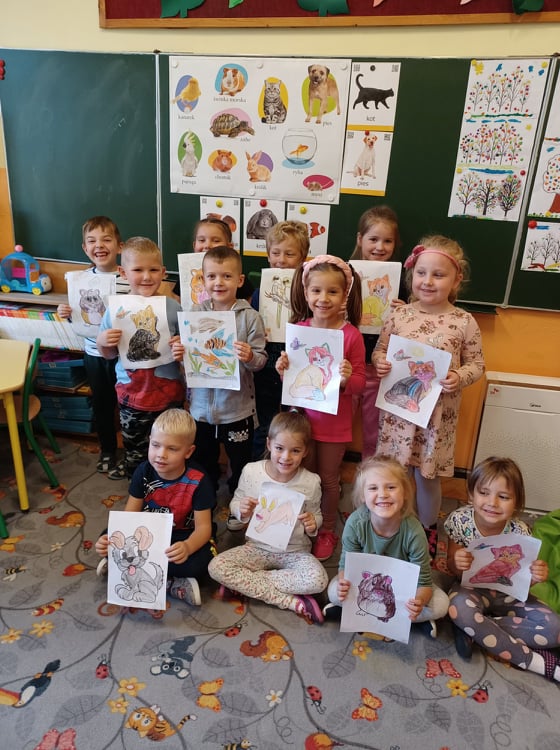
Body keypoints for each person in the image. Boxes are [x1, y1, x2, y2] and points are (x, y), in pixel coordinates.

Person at [372, 235, 485, 557]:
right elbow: (380, 350)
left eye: (438, 275)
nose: (428, 281)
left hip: (435, 420)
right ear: (412, 274)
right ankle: (391, 526)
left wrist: (459, 377)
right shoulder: (399, 315)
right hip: (397, 416)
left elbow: (477, 364)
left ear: (456, 280)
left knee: (427, 477)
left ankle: (426, 531)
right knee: (394, 474)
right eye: (421, 273)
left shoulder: (463, 321)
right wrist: (380, 363)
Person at [276, 255, 366, 562]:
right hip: (300, 422)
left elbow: (360, 385)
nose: (323, 298)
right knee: (300, 474)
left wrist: (347, 378)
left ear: (344, 296)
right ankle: (296, 524)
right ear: (306, 292)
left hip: (334, 426)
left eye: (332, 291)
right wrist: (283, 368)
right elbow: (293, 379)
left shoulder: (351, 336)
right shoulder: (299, 330)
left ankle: (326, 529)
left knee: (327, 479)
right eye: (316, 290)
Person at [444, 456, 560, 680]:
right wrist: (457, 562)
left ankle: (476, 629)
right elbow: (450, 567)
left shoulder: (521, 531)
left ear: (516, 502)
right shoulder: (459, 521)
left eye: (503, 497)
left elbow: (524, 581)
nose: (492, 503)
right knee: (459, 608)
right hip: (470, 590)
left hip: (509, 594)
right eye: (484, 493)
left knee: (556, 628)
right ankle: (536, 661)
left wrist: (536, 576)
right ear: (471, 494)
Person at [208, 410, 328, 624]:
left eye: (295, 451)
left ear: (305, 452)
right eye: (280, 448)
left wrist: (312, 524)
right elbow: (236, 502)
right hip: (257, 547)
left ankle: (244, 584)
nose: (286, 457)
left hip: (294, 551)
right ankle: (292, 602)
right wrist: (241, 510)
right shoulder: (252, 472)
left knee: (319, 580)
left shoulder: (311, 482)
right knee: (216, 566)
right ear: (269, 444)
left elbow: (316, 516)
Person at [171, 245, 267, 496]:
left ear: (240, 280)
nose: (219, 282)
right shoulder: (194, 315)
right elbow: (188, 366)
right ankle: (205, 499)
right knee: (203, 462)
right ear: (203, 280)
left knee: (240, 463)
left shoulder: (250, 317)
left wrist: (250, 356)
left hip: (237, 411)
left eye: (226, 276)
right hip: (201, 411)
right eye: (212, 276)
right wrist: (180, 356)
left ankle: (239, 502)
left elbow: (260, 362)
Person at [95, 409, 216, 606]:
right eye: (156, 445)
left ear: (188, 452)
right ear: (150, 440)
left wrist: (187, 547)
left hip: (183, 535)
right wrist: (109, 541)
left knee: (204, 562)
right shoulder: (143, 471)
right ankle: (166, 579)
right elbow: (130, 516)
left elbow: (204, 528)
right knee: (107, 534)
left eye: (172, 449)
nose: (161, 455)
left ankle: (135, 571)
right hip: (148, 534)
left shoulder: (199, 481)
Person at [322, 455, 449, 636]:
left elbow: (423, 581)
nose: (383, 494)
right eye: (373, 488)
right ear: (363, 496)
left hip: (402, 592)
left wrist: (419, 601)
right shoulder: (355, 523)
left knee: (441, 605)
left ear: (405, 493)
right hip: (366, 588)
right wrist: (344, 584)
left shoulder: (414, 531)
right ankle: (406, 619)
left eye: (391, 487)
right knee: (334, 592)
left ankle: (355, 611)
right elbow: (346, 565)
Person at [97, 237, 184, 479]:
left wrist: (182, 347)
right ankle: (138, 484)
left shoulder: (173, 308)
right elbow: (108, 355)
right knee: (135, 448)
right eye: (138, 270)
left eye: (153, 270)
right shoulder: (115, 310)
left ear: (163, 273)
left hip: (169, 395)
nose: (146, 277)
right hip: (131, 394)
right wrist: (102, 342)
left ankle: (168, 485)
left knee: (171, 445)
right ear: (123, 272)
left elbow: (186, 355)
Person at [57, 216, 128, 475]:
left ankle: (132, 451)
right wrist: (66, 312)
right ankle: (107, 449)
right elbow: (80, 315)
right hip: (93, 353)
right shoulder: (80, 281)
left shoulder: (129, 276)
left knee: (129, 404)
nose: (99, 245)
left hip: (124, 355)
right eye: (92, 241)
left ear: (119, 246)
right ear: (85, 248)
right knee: (102, 403)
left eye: (106, 239)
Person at [348, 205, 407, 460]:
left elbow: (410, 327)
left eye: (387, 241)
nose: (380, 247)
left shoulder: (402, 281)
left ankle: (372, 473)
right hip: (348, 363)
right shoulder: (344, 274)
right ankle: (331, 469)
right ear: (360, 239)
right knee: (339, 422)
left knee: (375, 427)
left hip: (380, 366)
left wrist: (405, 311)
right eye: (373, 239)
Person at [251, 220, 309, 463]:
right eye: (275, 253)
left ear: (303, 258)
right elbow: (251, 322)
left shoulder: (309, 291)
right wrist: (257, 332)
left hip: (295, 364)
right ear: (268, 255)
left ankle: (289, 467)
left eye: (289, 254)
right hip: (266, 364)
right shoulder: (260, 292)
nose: (281, 260)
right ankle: (258, 467)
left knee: (294, 421)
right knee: (264, 422)